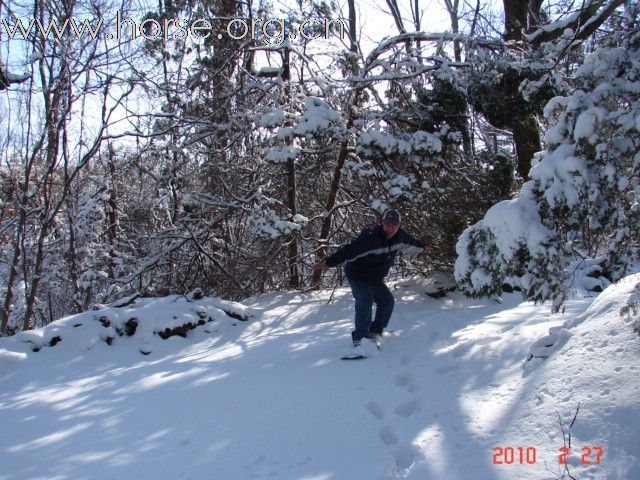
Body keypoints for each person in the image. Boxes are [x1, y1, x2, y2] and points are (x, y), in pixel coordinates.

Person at [314, 209, 426, 351]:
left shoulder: (400, 237)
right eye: (387, 224)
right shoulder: (370, 239)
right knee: (365, 299)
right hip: (357, 275)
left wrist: (423, 247)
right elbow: (348, 250)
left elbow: (411, 242)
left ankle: (375, 331)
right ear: (381, 223)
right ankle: (359, 338)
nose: (390, 227)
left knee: (387, 301)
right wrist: (329, 263)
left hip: (374, 277)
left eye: (394, 224)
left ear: (399, 226)